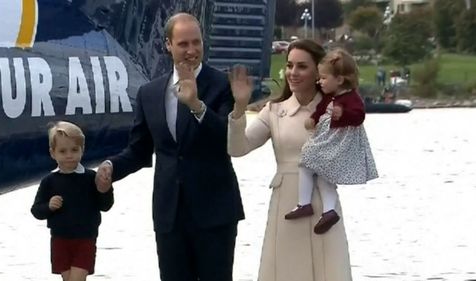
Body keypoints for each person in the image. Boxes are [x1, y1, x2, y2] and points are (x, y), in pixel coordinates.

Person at [95, 13, 244, 281]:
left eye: (196, 43)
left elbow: (229, 139)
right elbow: (139, 151)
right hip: (169, 215)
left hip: (215, 212)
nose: (191, 50)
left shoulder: (222, 84)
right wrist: (110, 167)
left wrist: (197, 106)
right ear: (168, 45)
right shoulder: (149, 93)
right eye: (183, 44)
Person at [228, 39, 352, 281]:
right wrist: (240, 108)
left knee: (329, 270)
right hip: (286, 204)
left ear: (319, 71)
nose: (293, 73)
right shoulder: (274, 111)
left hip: (323, 204)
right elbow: (238, 148)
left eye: (302, 66)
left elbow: (347, 154)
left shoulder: (335, 110)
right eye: (289, 66)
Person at [284, 49, 378, 235]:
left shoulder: (352, 98)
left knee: (306, 160)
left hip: (337, 142)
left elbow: (359, 117)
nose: (320, 82)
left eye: (324, 78)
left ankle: (305, 204)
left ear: (340, 80)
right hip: (329, 140)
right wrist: (313, 118)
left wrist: (344, 114)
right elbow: (320, 109)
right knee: (322, 173)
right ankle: (328, 211)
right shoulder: (330, 96)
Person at [31, 121, 114, 281]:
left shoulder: (91, 177)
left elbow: (105, 205)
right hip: (60, 239)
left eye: (74, 150)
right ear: (52, 153)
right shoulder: (49, 181)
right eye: (63, 151)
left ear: (82, 150)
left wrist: (106, 188)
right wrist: (49, 206)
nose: (69, 155)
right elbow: (36, 210)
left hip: (85, 238)